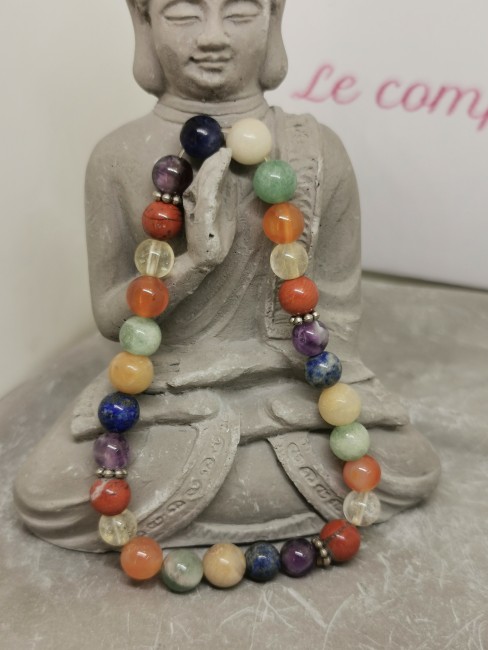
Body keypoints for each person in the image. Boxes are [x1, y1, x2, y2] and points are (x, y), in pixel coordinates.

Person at [14, 0, 440, 551]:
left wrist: (281, 370)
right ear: (143, 20)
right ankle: (249, 479)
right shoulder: (117, 157)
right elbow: (112, 317)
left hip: (291, 386)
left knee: (409, 464)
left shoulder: (317, 152)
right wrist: (196, 262)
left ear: (274, 18)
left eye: (239, 12)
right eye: (183, 14)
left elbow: (337, 319)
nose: (213, 36)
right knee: (46, 493)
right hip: (167, 388)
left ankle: (226, 477)